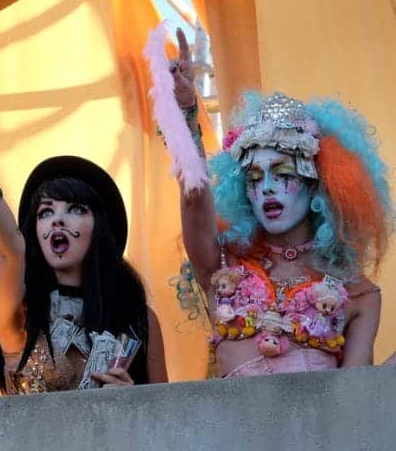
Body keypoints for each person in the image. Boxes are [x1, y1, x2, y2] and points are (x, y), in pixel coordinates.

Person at [165, 28, 392, 377]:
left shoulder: (358, 293)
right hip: (230, 432)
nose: (267, 188)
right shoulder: (220, 265)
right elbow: (194, 195)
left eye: (283, 173)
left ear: (318, 186)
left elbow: (355, 402)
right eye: (254, 179)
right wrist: (185, 116)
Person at [0, 123, 168, 394]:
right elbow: (10, 249)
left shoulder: (138, 318)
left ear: (99, 227)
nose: (57, 219)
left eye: (75, 209)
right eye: (45, 212)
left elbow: (165, 414)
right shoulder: (19, 314)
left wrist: (132, 403)